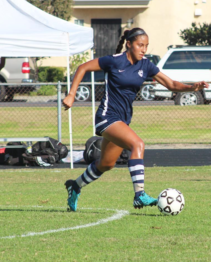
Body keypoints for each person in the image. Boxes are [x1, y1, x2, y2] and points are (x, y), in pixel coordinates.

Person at [63, 27, 209, 212]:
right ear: (129, 44)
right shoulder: (114, 61)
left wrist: (191, 87)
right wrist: (71, 95)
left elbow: (171, 84)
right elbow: (83, 67)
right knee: (138, 144)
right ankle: (139, 195)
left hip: (122, 121)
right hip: (107, 117)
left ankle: (75, 186)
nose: (143, 49)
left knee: (106, 164)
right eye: (140, 45)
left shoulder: (146, 65)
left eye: (146, 46)